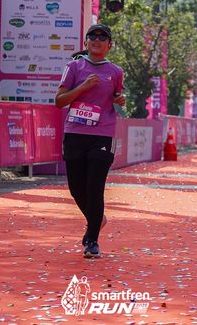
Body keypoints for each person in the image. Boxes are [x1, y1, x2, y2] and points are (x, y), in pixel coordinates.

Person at [55, 24, 125, 258]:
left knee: (95, 188)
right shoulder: (74, 67)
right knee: (77, 189)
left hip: (103, 134)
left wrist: (120, 99)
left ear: (109, 45)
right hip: (75, 132)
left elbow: (117, 95)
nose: (97, 40)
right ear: (86, 43)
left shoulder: (115, 71)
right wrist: (83, 87)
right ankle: (97, 219)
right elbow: (59, 101)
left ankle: (92, 240)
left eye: (102, 37)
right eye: (92, 36)